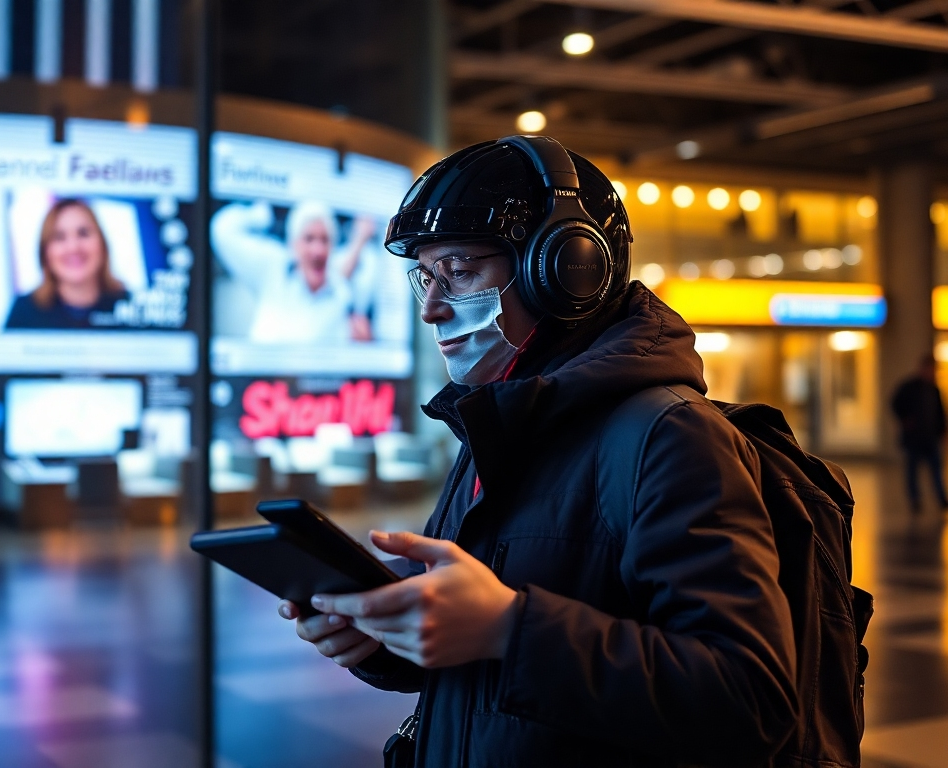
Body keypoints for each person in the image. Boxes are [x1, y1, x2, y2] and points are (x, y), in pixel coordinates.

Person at [278, 137, 798, 766]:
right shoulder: (501, 422)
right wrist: (384, 636)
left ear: (565, 272)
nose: (432, 307)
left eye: (460, 271)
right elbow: (477, 662)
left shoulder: (670, 436)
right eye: (425, 277)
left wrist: (509, 628)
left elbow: (751, 702)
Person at [212, 199, 376, 343]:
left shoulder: (341, 291)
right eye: (309, 238)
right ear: (293, 245)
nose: (318, 250)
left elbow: (354, 261)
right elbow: (222, 230)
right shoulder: (272, 267)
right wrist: (262, 213)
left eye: (325, 240)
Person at [5, 199, 131, 329]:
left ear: (103, 244)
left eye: (83, 233)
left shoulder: (133, 309)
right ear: (45, 252)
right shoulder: (24, 313)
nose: (73, 247)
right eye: (59, 237)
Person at [892, 355, 948, 511]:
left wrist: (943, 430)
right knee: (912, 471)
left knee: (937, 470)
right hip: (914, 438)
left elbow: (940, 412)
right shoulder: (909, 387)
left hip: (931, 437)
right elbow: (895, 403)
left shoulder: (934, 389)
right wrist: (905, 419)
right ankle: (915, 500)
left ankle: (942, 499)